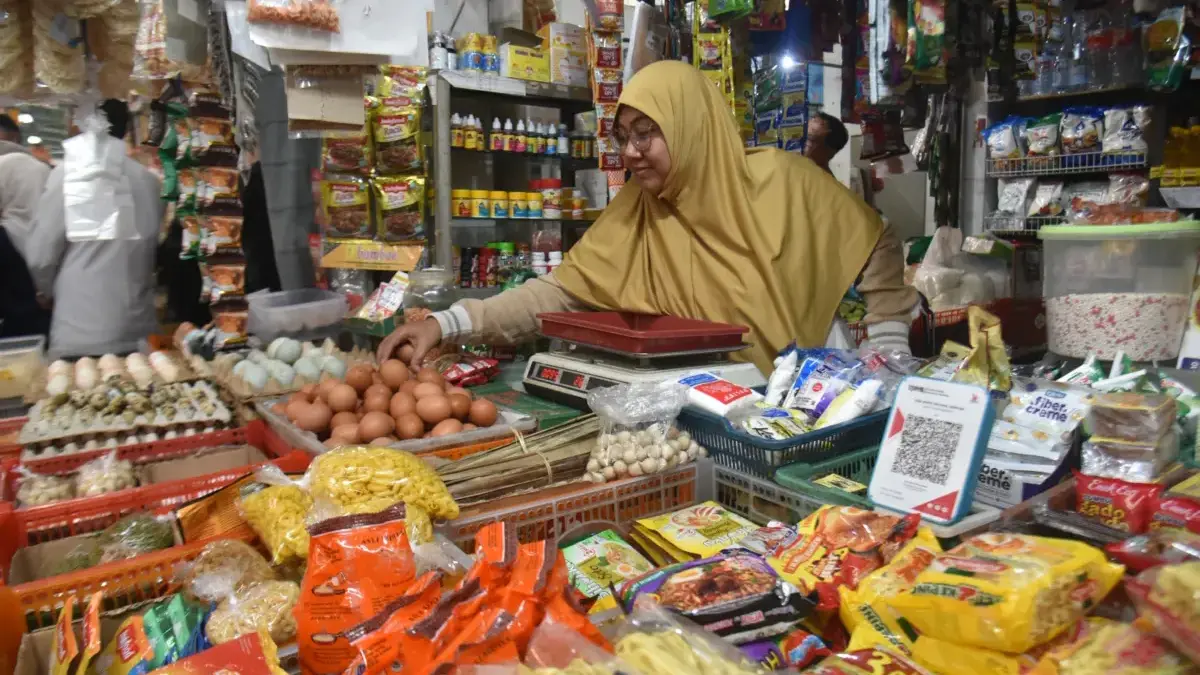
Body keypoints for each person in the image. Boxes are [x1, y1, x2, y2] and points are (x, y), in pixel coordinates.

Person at [378, 61, 917, 375]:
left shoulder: (783, 180)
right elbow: (558, 294)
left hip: (802, 406)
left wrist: (889, 343)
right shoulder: (636, 210)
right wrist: (448, 322)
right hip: (703, 410)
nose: (632, 152)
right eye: (624, 136)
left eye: (647, 133)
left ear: (691, 127)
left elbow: (874, 239)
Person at [24, 100, 165, 357]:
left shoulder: (68, 175)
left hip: (81, 333)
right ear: (124, 130)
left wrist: (45, 291)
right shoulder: (149, 182)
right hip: (140, 331)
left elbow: (41, 255)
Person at [0, 114, 52, 257]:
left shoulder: (4, 162)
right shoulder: (45, 169)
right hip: (40, 248)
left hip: (8, 244)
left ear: (14, 137)